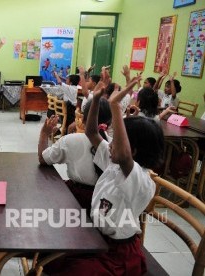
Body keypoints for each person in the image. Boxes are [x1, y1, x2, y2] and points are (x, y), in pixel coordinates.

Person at [37, 74, 164, 275]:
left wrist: (114, 105)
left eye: (115, 142)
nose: (109, 144)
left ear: (133, 151)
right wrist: (96, 100)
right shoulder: (113, 164)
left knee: (71, 270)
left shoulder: (140, 180)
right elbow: (92, 133)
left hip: (118, 253)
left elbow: (123, 155)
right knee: (50, 257)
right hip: (95, 237)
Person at [38, 97, 112, 212]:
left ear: (82, 120)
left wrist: (44, 134)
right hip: (106, 205)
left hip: (75, 200)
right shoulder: (116, 148)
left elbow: (43, 159)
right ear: (110, 123)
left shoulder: (70, 140)